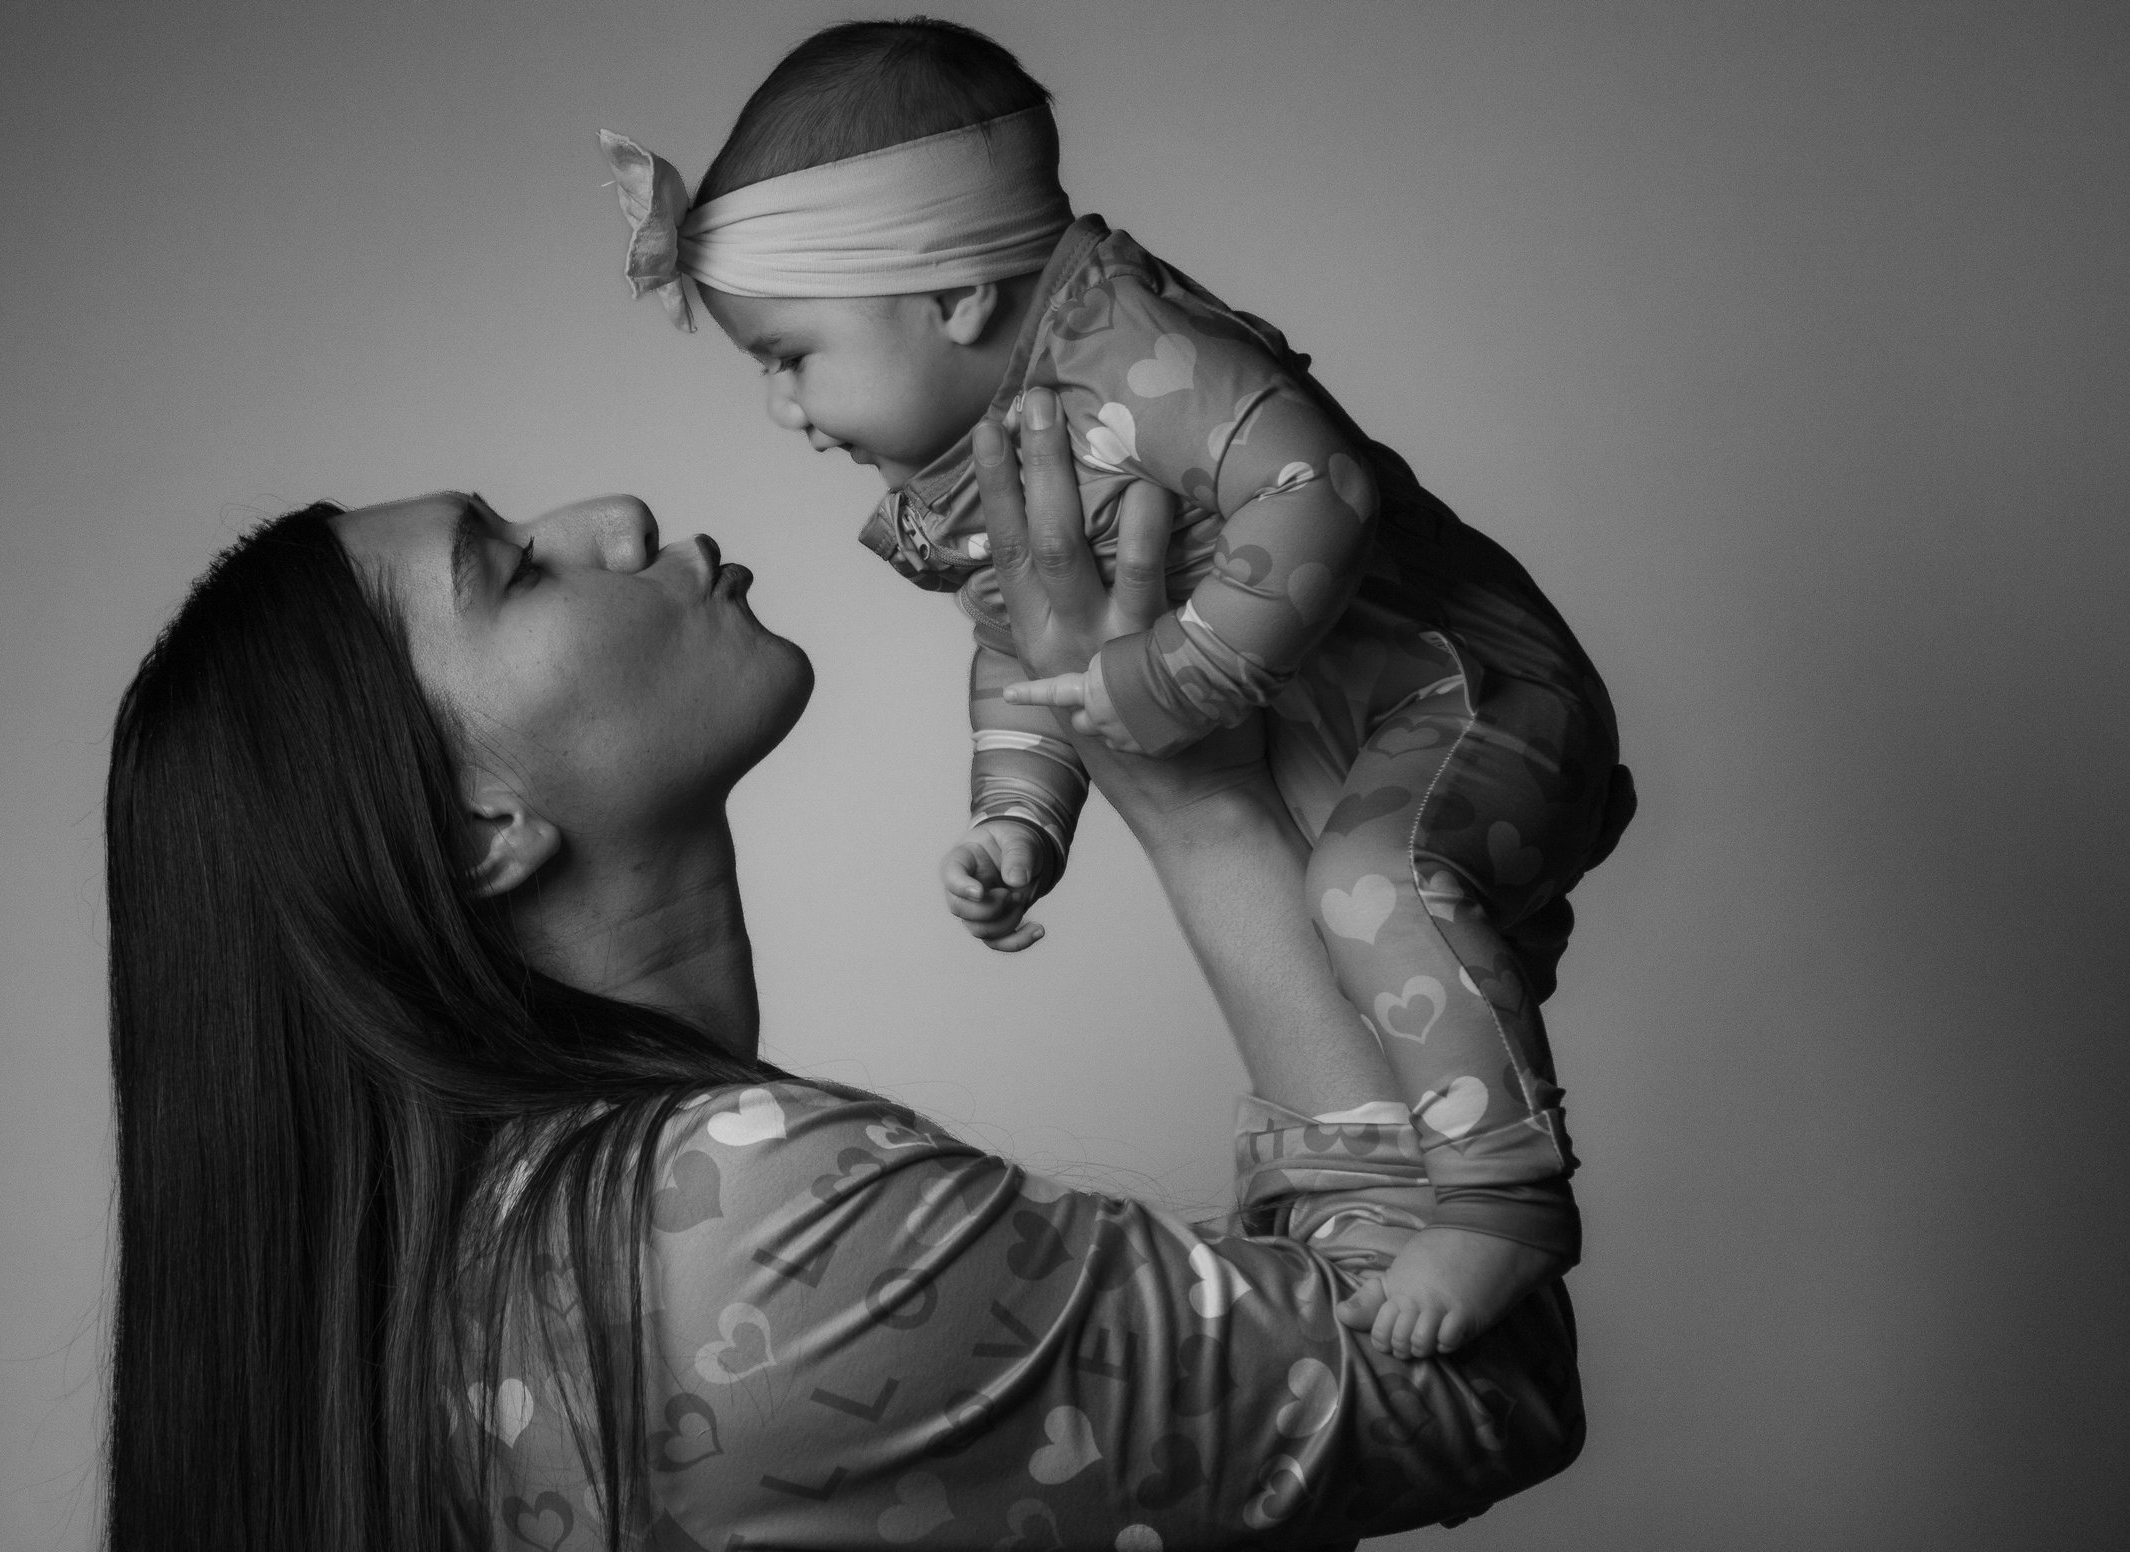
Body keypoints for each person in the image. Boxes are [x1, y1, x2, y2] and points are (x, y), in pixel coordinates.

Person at [102, 410, 1584, 1551]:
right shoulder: (737, 1220)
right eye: (512, 569)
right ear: (481, 830)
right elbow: (1468, 1386)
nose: (612, 520)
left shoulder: (454, 1282)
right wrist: (1198, 807)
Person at [599, 17, 1636, 1357]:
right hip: (1337, 743)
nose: (783, 411)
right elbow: (1027, 656)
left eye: (789, 356)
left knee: (1366, 888)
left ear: (956, 297)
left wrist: (1182, 671)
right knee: (1354, 930)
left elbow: (1318, 488)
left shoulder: (1138, 350)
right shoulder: (980, 458)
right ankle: (1423, 1187)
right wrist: (1019, 817)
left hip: (1463, 693)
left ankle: (1505, 1205)